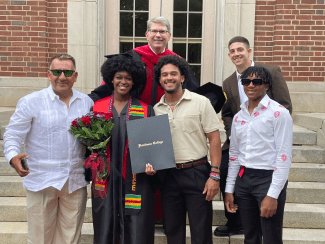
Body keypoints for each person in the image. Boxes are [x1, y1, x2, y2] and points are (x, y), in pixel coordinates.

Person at [3, 54, 93, 244]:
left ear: (75, 76)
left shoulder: (86, 102)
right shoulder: (31, 101)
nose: (62, 76)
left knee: (70, 239)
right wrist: (13, 156)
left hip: (74, 181)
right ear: (48, 74)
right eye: (56, 72)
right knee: (39, 239)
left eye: (67, 72)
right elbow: (13, 134)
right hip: (42, 180)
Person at [215, 36, 293, 237]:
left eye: (256, 81)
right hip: (244, 177)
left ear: (266, 85)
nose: (250, 85)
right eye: (246, 81)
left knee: (271, 236)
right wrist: (230, 189)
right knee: (250, 236)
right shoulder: (240, 115)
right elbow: (233, 156)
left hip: (267, 177)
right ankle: (234, 222)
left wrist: (273, 194)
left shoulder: (278, 112)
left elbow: (284, 157)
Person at [147, 55, 222, 244]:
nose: (169, 78)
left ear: (182, 77)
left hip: (198, 173)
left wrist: (215, 174)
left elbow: (214, 139)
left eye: (173, 73)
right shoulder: (155, 110)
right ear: (160, 80)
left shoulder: (200, 102)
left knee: (201, 231)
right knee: (172, 230)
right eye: (164, 75)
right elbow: (153, 146)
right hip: (169, 176)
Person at [90, 54, 156, 244]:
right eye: (119, 77)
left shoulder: (145, 109)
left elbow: (152, 146)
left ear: (134, 81)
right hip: (105, 176)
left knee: (137, 227)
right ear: (111, 78)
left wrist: (154, 165)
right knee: (105, 223)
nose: (123, 81)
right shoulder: (98, 107)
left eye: (128, 78)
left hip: (136, 178)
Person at [88, 16, 199, 106]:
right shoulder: (132, 57)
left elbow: (191, 90)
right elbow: (112, 84)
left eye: (162, 32)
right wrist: (91, 100)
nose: (158, 35)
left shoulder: (177, 62)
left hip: (168, 112)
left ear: (169, 36)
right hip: (137, 112)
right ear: (147, 35)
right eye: (154, 31)